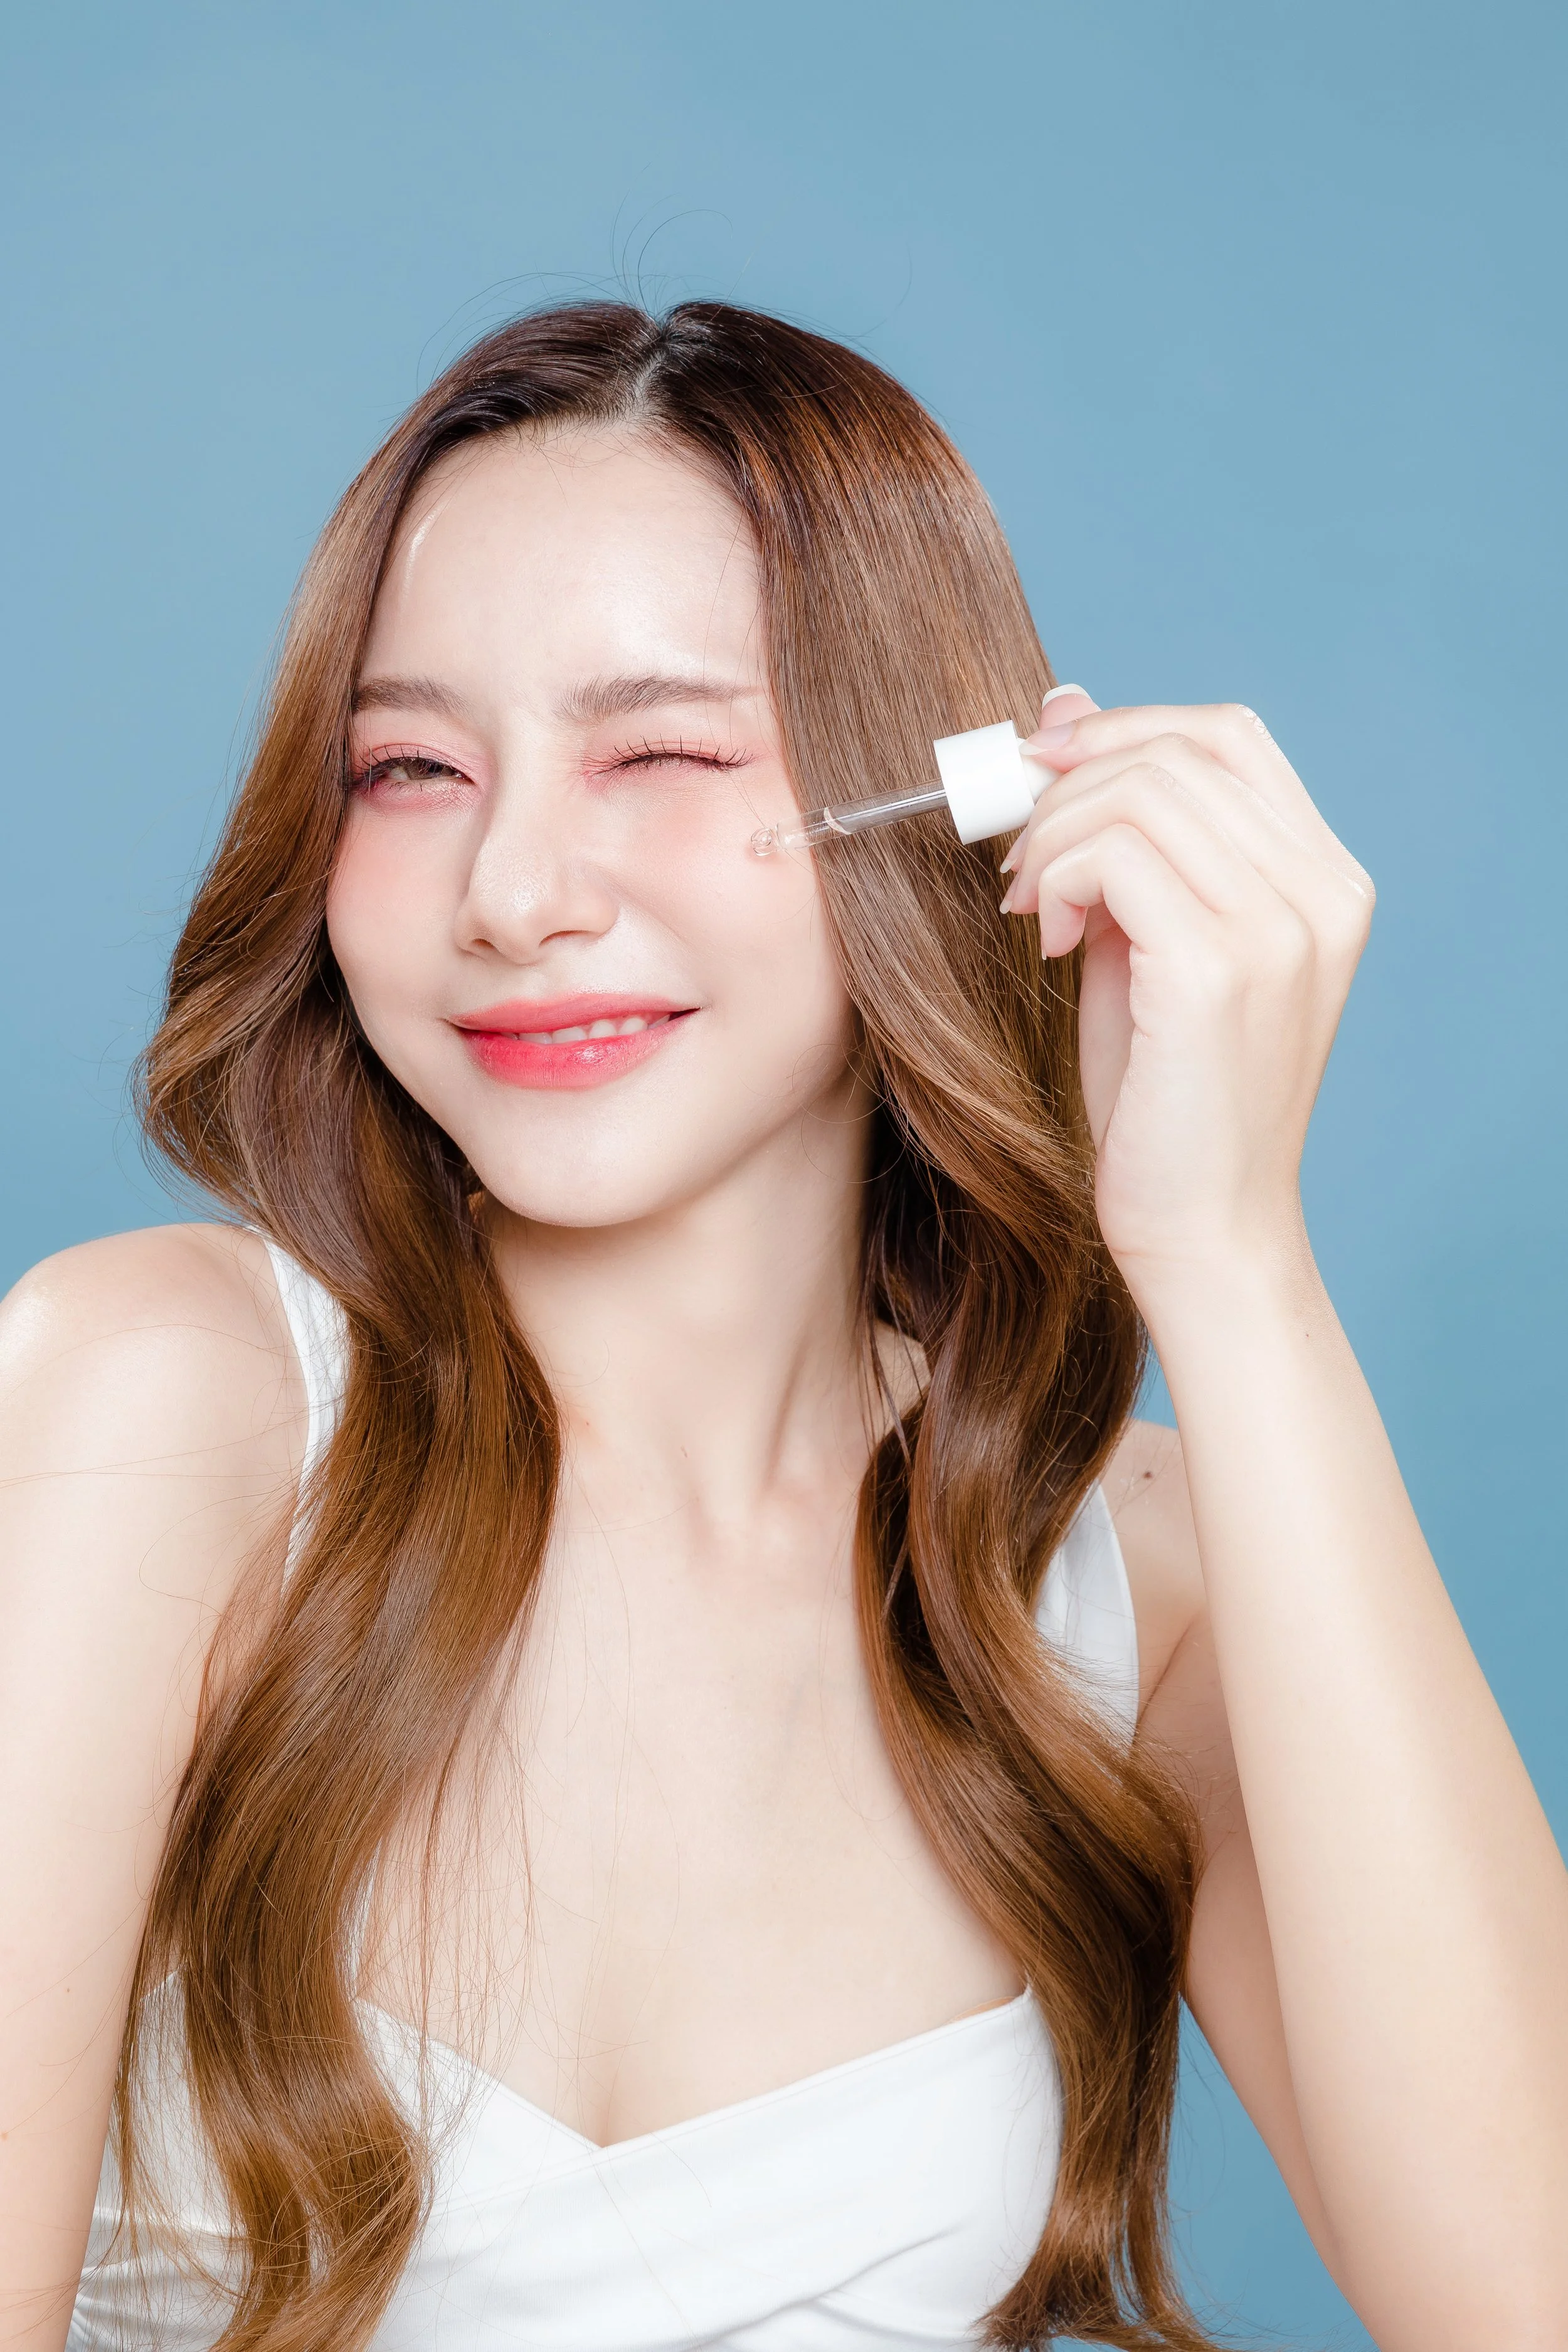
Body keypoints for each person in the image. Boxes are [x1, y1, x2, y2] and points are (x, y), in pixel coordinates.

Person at [1, 301, 1562, 2352]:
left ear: (951, 802)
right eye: (409, 768)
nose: (514, 891)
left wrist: (1231, 1259)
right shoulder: (157, 1407)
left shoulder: (1128, 1587)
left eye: (658, 752)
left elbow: (1521, 2295)